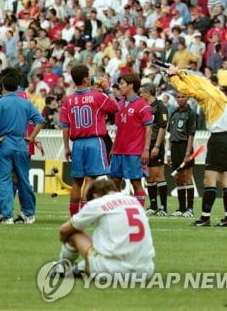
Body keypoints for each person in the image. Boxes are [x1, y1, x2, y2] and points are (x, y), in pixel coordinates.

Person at [166, 64, 227, 227]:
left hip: (218, 140)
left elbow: (188, 90)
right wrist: (180, 73)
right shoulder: (213, 90)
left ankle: (205, 217)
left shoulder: (204, 95)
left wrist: (172, 77)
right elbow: (195, 81)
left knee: (209, 180)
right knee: (226, 180)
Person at [56, 178, 155, 278]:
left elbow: (63, 230)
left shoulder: (97, 203)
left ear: (95, 195)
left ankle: (61, 267)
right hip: (145, 270)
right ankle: (80, 268)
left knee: (73, 233)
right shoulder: (134, 201)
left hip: (113, 271)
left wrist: (64, 239)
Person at [59, 65, 118, 217]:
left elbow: (65, 127)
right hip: (94, 141)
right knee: (90, 179)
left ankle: (73, 215)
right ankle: (85, 213)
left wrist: (66, 147)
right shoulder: (97, 97)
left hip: (77, 143)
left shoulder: (68, 101)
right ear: (86, 79)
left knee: (76, 182)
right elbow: (115, 107)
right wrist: (107, 89)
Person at [0, 72, 45, 224]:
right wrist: (31, 137)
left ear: (2, 87)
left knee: (3, 181)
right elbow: (40, 121)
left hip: (4, 145)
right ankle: (29, 214)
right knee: (23, 180)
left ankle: (7, 215)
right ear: (17, 87)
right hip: (21, 145)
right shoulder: (26, 103)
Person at [109, 73, 153, 206]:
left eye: (122, 84)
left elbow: (148, 129)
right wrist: (113, 148)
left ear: (131, 86)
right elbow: (119, 129)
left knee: (136, 183)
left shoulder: (143, 106)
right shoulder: (119, 105)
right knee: (114, 181)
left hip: (134, 151)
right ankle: (119, 211)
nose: (120, 87)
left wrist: (146, 150)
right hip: (118, 151)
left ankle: (138, 214)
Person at [139, 83, 169, 216]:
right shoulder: (144, 107)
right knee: (148, 176)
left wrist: (157, 146)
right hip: (145, 145)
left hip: (155, 144)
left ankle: (163, 206)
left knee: (158, 175)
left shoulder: (160, 107)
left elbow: (163, 127)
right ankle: (153, 205)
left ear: (148, 93)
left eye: (141, 93)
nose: (140, 95)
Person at [166, 91, 197, 218]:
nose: (180, 99)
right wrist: (169, 153)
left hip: (185, 146)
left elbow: (191, 135)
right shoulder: (173, 113)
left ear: (188, 97)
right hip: (174, 148)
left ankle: (190, 209)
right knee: (178, 178)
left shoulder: (191, 113)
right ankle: (181, 208)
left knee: (187, 177)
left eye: (182, 97)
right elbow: (170, 135)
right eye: (178, 97)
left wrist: (187, 153)